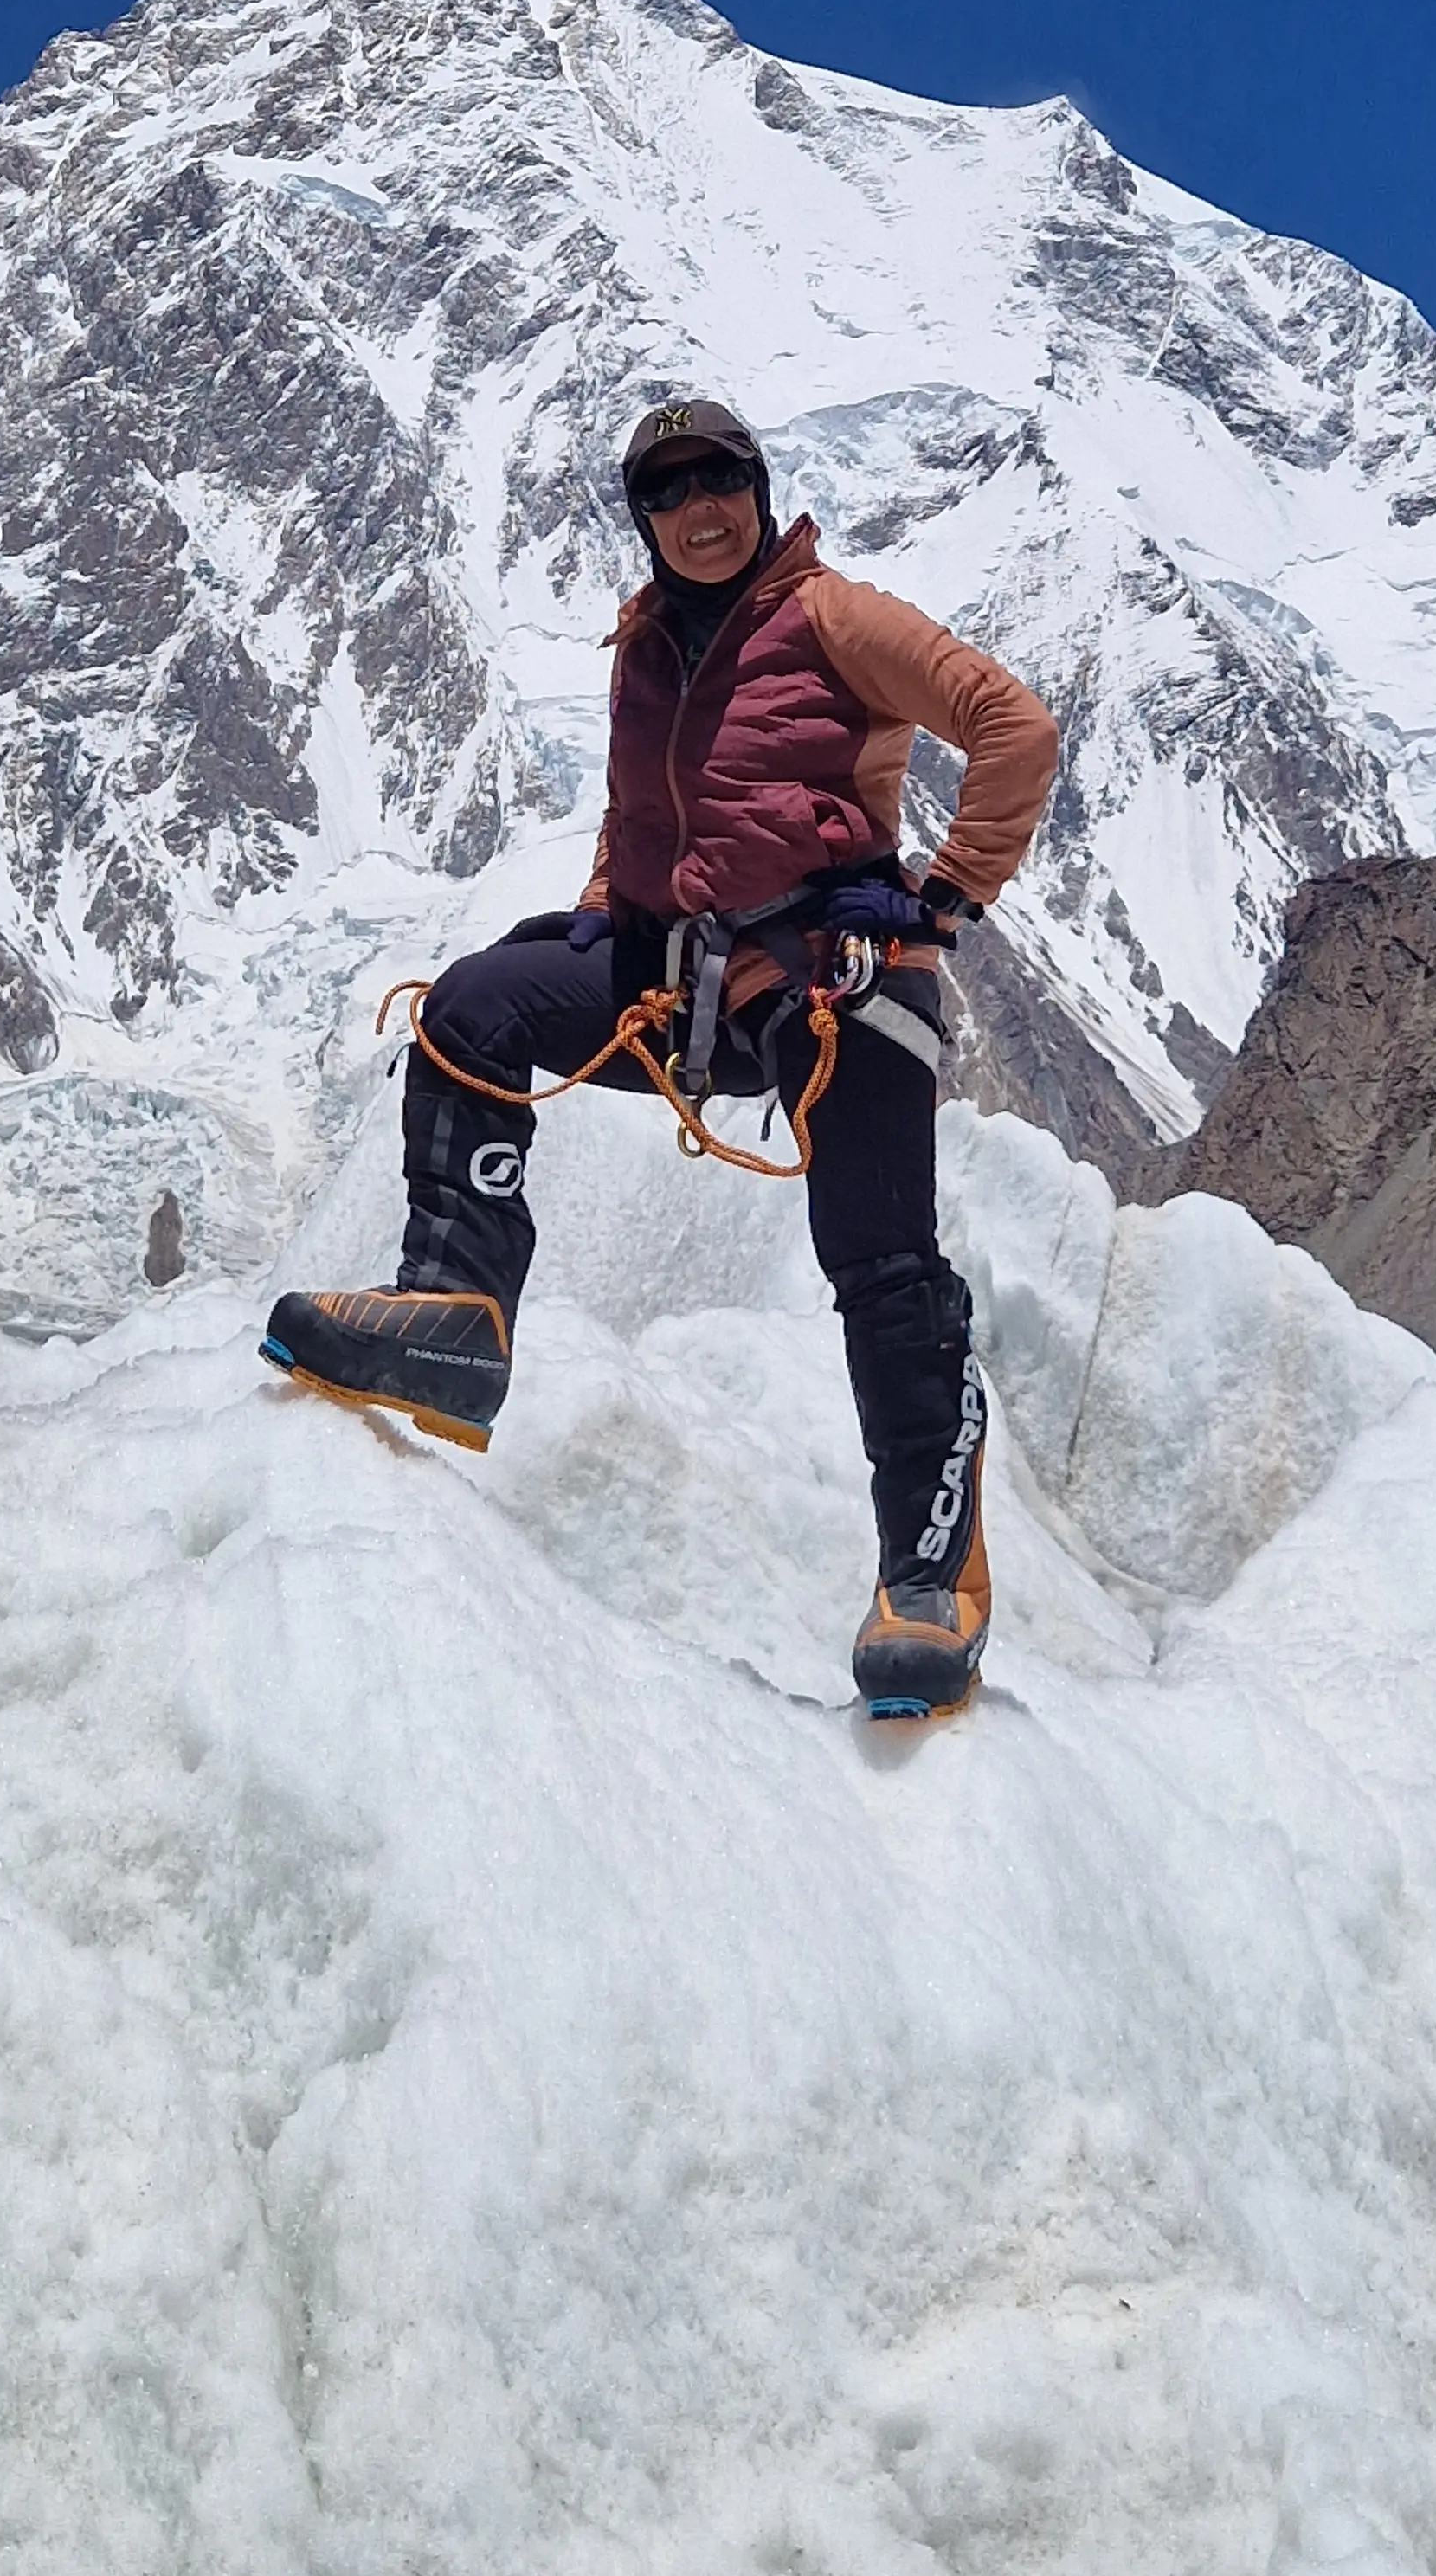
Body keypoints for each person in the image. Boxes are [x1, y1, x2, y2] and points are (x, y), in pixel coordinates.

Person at [264, 396, 1059, 1714]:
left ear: (758, 492)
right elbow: (643, 815)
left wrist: (942, 898)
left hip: (833, 976)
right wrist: (595, 916)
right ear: (641, 517)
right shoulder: (645, 640)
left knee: (880, 1261)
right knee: (473, 1012)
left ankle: (928, 1578)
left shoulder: (833, 618)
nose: (700, 513)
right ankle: (456, 1317)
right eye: (670, 492)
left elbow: (1011, 726)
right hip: (675, 974)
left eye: (721, 485)